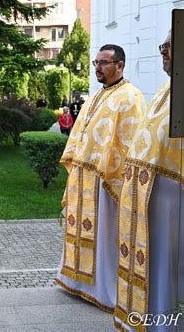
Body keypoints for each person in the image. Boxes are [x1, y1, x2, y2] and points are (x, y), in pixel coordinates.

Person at [55, 44, 145, 312]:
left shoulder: (131, 97)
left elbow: (132, 142)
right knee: (80, 229)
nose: (98, 68)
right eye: (96, 62)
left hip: (107, 180)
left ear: (120, 65)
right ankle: (76, 280)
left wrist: (117, 177)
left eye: (104, 63)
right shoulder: (95, 96)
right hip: (84, 179)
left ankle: (103, 289)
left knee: (105, 234)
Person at [114, 32, 184, 331]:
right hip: (150, 200)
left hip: (174, 200)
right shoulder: (166, 88)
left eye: (168, 46)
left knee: (171, 267)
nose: (163, 53)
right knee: (157, 267)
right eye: (162, 47)